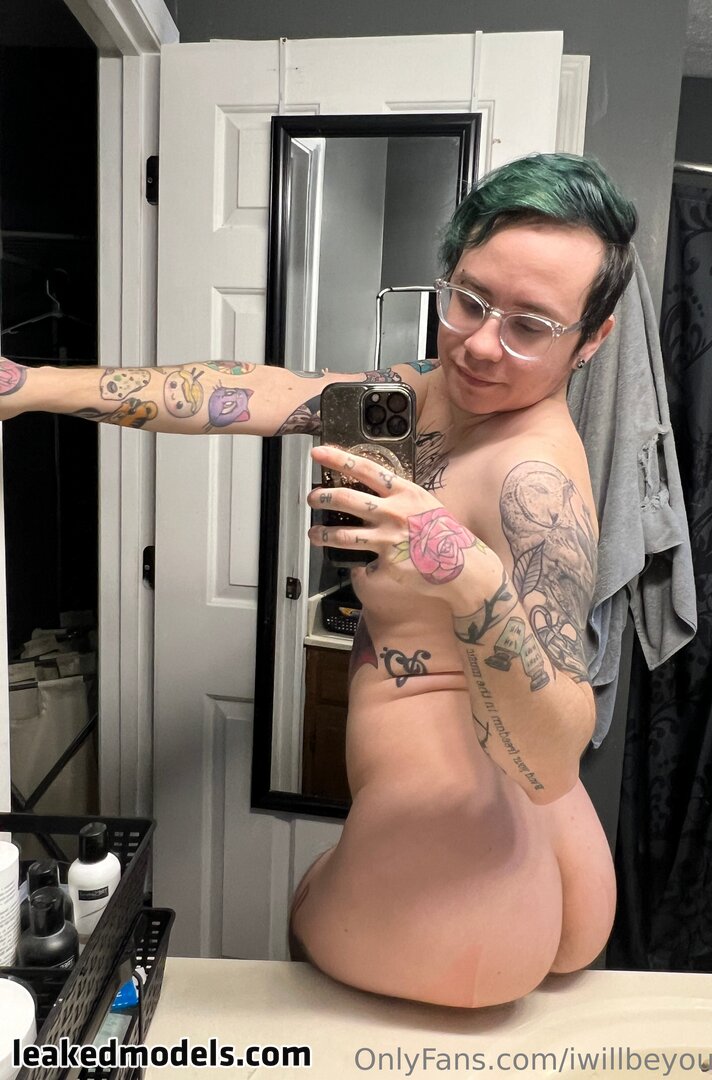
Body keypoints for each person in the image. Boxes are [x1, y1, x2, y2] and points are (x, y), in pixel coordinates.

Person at [0, 152, 637, 1009]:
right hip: (518, 849)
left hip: (458, 872)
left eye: (531, 326)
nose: (483, 345)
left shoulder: (534, 477)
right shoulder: (421, 395)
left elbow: (553, 760)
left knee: (300, 940)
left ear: (591, 338)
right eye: (470, 299)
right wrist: (32, 385)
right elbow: (262, 394)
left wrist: (468, 575)